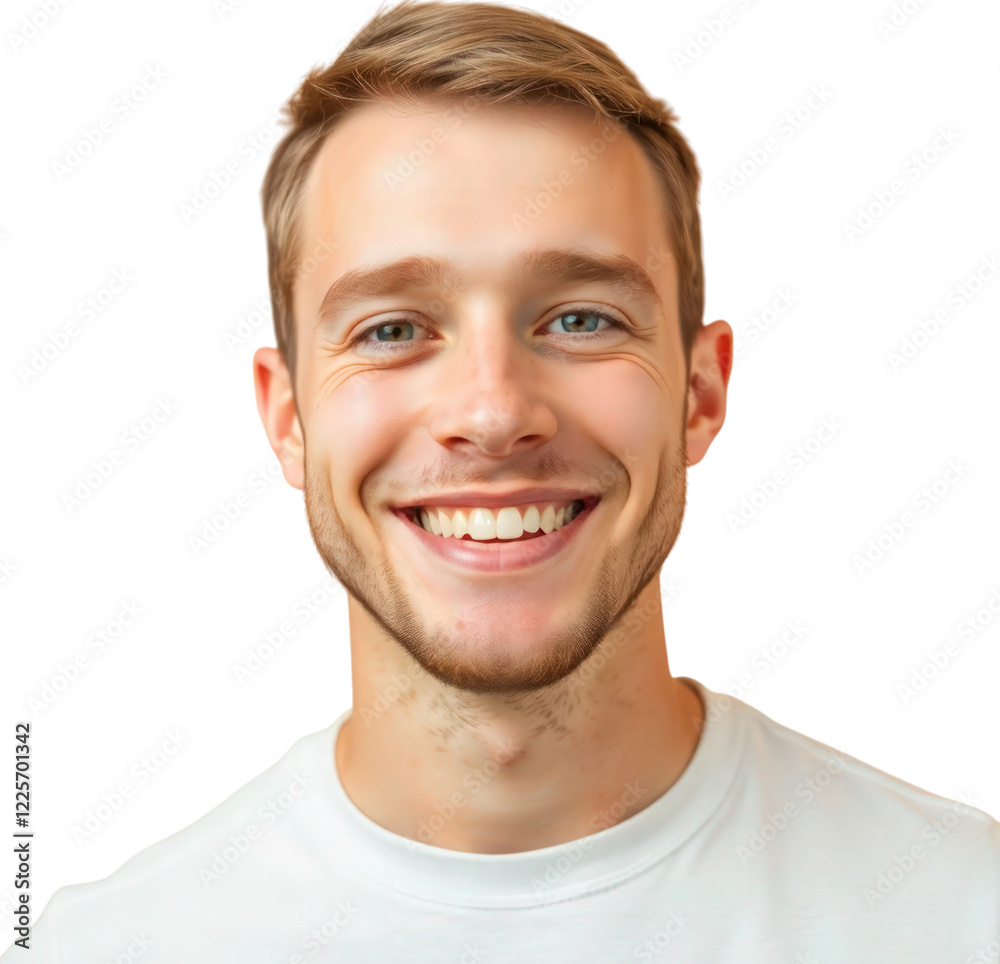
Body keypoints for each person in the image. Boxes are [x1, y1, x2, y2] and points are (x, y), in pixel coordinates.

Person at [7, 1, 998, 960]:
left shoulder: (964, 913)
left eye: (579, 319)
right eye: (391, 330)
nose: (490, 412)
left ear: (698, 393)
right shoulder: (109, 947)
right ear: (288, 418)